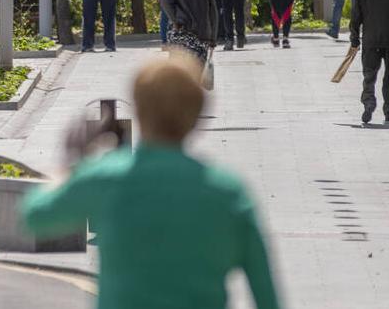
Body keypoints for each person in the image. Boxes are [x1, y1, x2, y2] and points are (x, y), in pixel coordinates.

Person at [22, 56, 279, 309]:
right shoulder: (228, 192)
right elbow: (266, 294)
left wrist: (70, 166)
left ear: (138, 109)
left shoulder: (105, 179)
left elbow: (34, 216)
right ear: (197, 114)